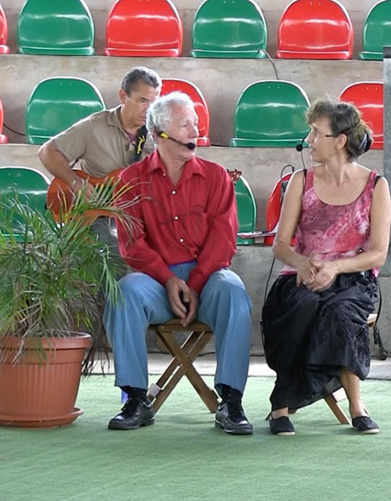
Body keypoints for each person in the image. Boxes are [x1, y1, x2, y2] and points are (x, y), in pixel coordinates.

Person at [103, 92, 254, 434]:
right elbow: (132, 245)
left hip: (208, 278)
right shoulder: (130, 180)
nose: (194, 132)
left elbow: (223, 240)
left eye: (196, 125)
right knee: (124, 292)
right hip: (156, 281)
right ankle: (135, 398)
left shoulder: (216, 177)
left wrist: (196, 284)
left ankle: (231, 400)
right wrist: (168, 280)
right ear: (159, 135)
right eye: (185, 125)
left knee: (233, 291)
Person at [261, 98, 391, 436]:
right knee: (303, 306)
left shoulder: (376, 186)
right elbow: (281, 245)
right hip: (302, 277)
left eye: (317, 133)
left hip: (353, 281)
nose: (310, 141)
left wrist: (336, 268)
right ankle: (282, 404)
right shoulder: (300, 182)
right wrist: (303, 263)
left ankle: (356, 405)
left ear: (340, 141)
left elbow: (378, 254)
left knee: (340, 313)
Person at [38, 66, 161, 251]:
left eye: (154, 102)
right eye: (142, 101)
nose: (149, 109)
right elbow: (47, 152)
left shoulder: (161, 134)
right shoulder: (94, 126)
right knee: (113, 241)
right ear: (122, 96)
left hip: (142, 214)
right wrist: (75, 182)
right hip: (98, 217)